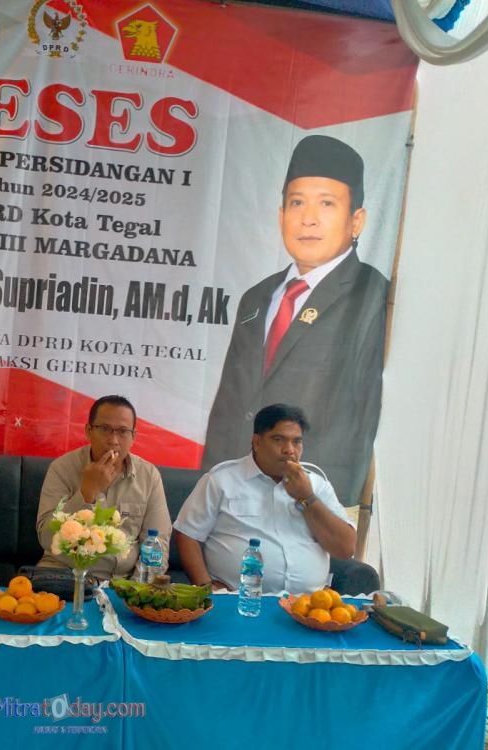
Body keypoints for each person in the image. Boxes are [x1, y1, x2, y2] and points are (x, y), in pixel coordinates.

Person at [202, 135, 388, 507]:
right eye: (297, 202)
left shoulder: (372, 295)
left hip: (308, 496)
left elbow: (368, 416)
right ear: (281, 215)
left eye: (327, 203)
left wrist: (329, 506)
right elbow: (230, 404)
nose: (309, 218)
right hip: (234, 491)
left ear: (356, 221)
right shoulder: (258, 297)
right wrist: (208, 483)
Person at [176, 404, 355, 594]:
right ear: (256, 442)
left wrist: (307, 498)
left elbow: (345, 549)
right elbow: (187, 534)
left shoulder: (317, 485)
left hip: (308, 603)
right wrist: (206, 589)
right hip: (239, 599)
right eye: (278, 440)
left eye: (296, 442)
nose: (289, 450)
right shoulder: (222, 480)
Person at [35, 395, 171, 580]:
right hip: (64, 574)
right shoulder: (62, 468)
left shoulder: (149, 476)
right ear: (88, 431)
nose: (113, 440)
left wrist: (135, 589)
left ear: (133, 436)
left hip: (121, 581)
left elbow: (157, 545)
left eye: (122, 431)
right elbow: (46, 538)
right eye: (105, 429)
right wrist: (87, 492)